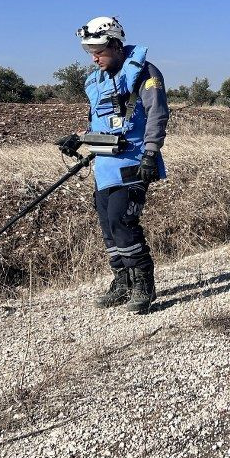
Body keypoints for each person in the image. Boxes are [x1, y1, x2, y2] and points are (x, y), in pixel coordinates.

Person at [57, 16, 169, 312]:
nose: (94, 57)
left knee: (123, 220)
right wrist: (78, 138)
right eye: (89, 51)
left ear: (117, 45)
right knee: (108, 226)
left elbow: (157, 115)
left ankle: (144, 284)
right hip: (105, 167)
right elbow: (101, 122)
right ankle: (122, 282)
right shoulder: (98, 80)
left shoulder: (146, 72)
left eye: (99, 50)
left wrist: (151, 153)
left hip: (134, 162)